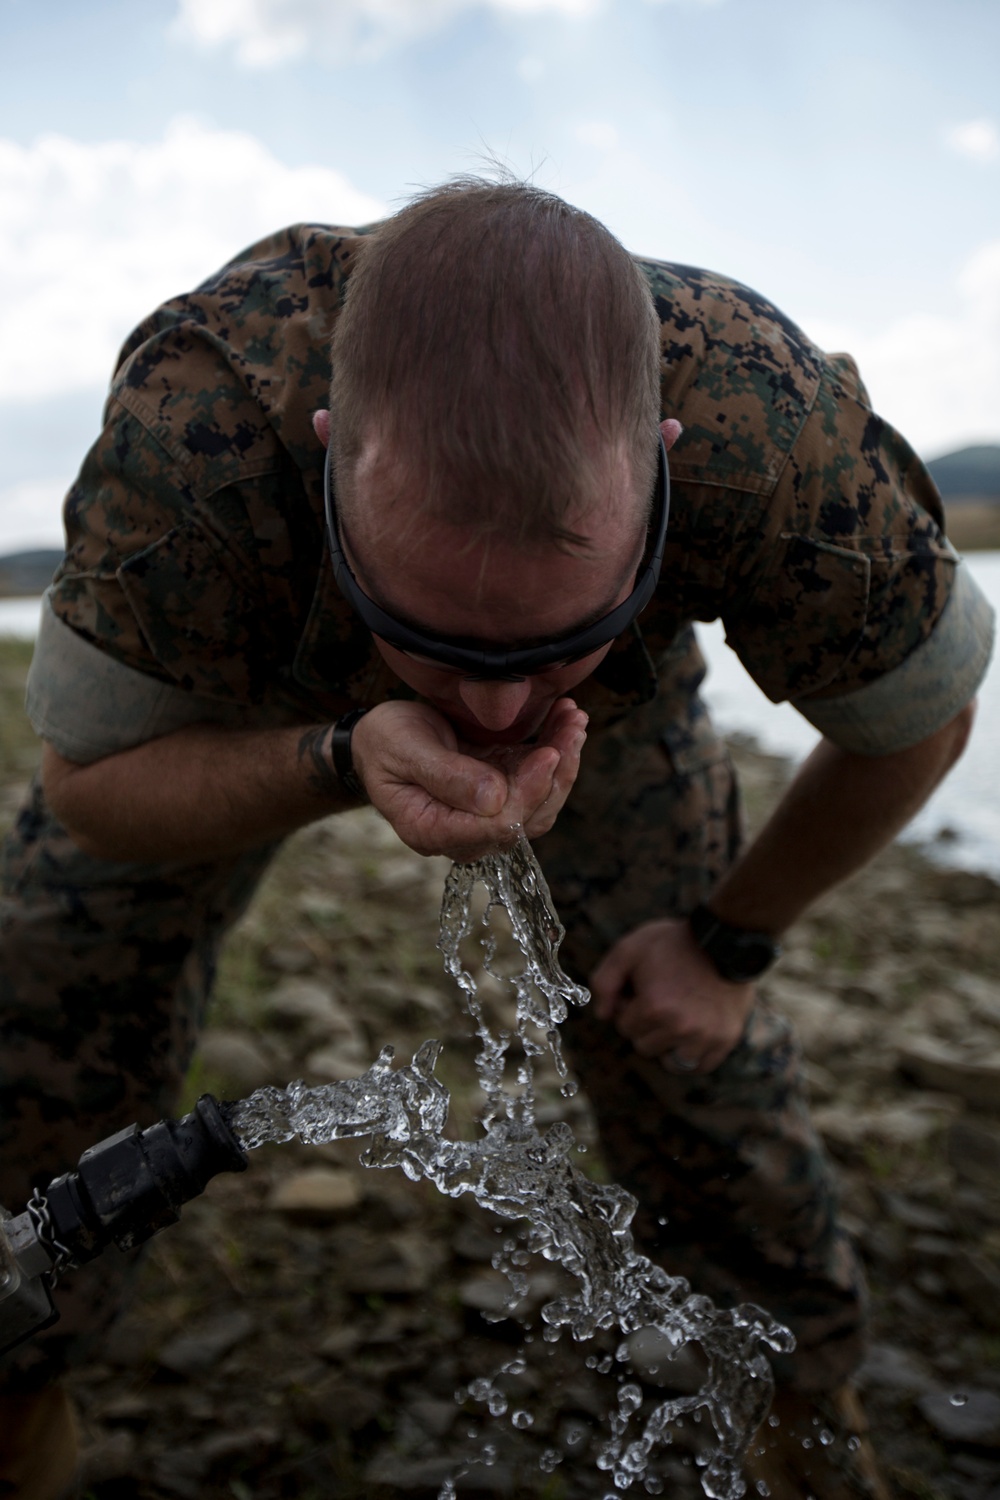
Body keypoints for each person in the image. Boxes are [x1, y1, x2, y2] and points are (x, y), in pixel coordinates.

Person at [1, 177, 993, 1500]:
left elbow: (919, 722)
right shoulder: (201, 426)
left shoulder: (769, 427)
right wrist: (341, 753)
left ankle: (800, 1415)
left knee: (688, 1043)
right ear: (325, 445)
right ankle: (16, 1373)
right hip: (262, 684)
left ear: (665, 457)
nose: (492, 710)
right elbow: (88, 786)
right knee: (44, 1007)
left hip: (623, 728)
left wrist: (731, 942)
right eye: (446, 644)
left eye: (540, 640)